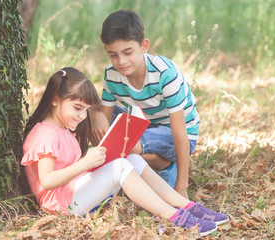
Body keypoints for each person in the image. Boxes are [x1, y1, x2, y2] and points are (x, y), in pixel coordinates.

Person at [21, 67, 228, 237]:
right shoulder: (44, 134)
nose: (83, 116)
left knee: (131, 158)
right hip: (61, 205)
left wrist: (95, 160)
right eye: (77, 108)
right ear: (55, 99)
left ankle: (187, 206)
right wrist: (85, 163)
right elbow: (47, 181)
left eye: (86, 110)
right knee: (120, 166)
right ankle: (172, 216)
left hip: (73, 193)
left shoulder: (63, 129)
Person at [90, 9, 200, 198]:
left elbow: (180, 133)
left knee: (126, 141)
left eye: (128, 52)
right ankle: (109, 171)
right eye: (113, 54)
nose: (121, 61)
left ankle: (163, 164)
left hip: (179, 134)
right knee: (87, 119)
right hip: (145, 126)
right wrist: (97, 116)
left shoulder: (165, 73)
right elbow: (104, 126)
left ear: (144, 46)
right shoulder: (111, 75)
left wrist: (182, 187)